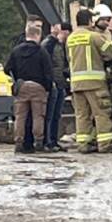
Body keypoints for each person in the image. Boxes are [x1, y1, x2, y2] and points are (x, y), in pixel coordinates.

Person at [67, 7, 112, 154]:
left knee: (82, 115)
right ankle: (106, 144)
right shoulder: (94, 36)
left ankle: (84, 144)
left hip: (76, 84)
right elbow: (110, 53)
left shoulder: (70, 38)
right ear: (90, 21)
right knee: (101, 113)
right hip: (95, 84)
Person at [4, 21, 53, 154]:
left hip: (22, 86)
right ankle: (38, 141)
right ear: (37, 35)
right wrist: (47, 87)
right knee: (38, 116)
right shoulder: (41, 51)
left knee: (20, 116)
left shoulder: (16, 50)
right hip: (38, 87)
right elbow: (48, 71)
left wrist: (17, 79)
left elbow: (7, 69)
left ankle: (19, 142)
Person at [42, 21, 71, 152]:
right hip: (53, 84)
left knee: (56, 115)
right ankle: (47, 141)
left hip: (60, 83)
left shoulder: (59, 45)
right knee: (50, 114)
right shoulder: (49, 44)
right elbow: (47, 64)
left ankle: (54, 140)